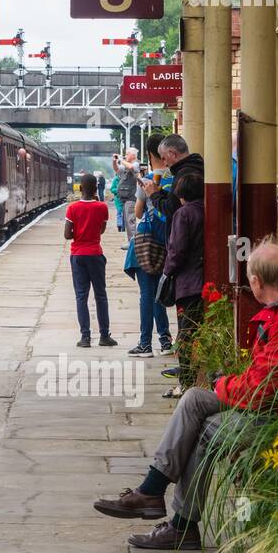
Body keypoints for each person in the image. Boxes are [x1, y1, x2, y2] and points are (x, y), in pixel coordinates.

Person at [92, 241, 278, 551]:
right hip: (265, 401)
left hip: (277, 414)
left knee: (203, 431)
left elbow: (262, 389)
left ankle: (180, 523)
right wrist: (227, 383)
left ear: (256, 282)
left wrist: (222, 385)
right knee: (193, 399)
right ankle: (153, 492)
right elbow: (259, 379)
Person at [124, 133, 173, 357]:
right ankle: (165, 340)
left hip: (147, 243)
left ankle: (145, 343)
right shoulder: (176, 178)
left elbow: (138, 212)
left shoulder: (150, 179)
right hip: (169, 241)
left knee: (147, 293)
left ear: (150, 154)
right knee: (159, 292)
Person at [161, 172, 205, 398]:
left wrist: (167, 272)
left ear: (181, 194)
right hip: (206, 282)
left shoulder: (183, 214)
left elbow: (177, 251)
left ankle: (186, 383)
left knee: (186, 336)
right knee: (200, 334)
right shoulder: (209, 209)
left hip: (188, 284)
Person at [65, 173, 115, 348]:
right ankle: (104, 336)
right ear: (96, 188)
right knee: (100, 295)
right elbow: (101, 230)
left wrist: (77, 233)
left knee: (81, 296)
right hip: (95, 254)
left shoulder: (72, 208)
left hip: (78, 255)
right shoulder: (102, 207)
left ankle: (85, 337)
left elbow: (67, 235)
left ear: (79, 188)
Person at [139, 134, 203, 230]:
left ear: (172, 154)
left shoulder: (184, 172)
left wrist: (154, 195)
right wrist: (159, 191)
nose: (164, 163)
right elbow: (175, 199)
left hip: (186, 232)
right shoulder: (194, 167)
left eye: (164, 158)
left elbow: (171, 208)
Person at [112, 147, 140, 241]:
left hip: (131, 197)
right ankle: (130, 242)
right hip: (125, 197)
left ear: (133, 155)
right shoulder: (124, 166)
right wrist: (114, 161)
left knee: (130, 220)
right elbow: (117, 169)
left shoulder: (136, 164)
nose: (125, 155)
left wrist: (120, 159)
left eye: (127, 154)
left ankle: (133, 242)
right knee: (127, 221)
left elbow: (131, 167)